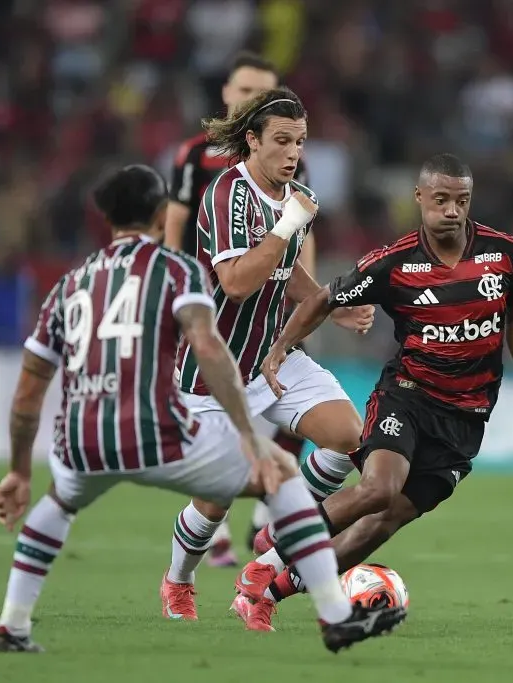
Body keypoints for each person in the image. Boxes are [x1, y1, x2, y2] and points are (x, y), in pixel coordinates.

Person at [0, 164, 404, 654]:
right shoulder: (177, 267)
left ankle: (12, 625)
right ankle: (316, 610)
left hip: (86, 433)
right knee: (274, 480)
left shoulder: (70, 283)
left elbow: (29, 388)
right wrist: (248, 437)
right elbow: (212, 341)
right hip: (168, 417)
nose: (292, 152)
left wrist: (17, 469)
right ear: (163, 214)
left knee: (55, 508)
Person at [231, 153, 513, 631]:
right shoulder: (394, 263)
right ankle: (274, 548)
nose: (452, 210)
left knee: (385, 520)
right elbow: (322, 299)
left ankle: (268, 591)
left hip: (465, 420)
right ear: (419, 199)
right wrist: (279, 350)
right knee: (378, 488)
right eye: (441, 200)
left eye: (461, 200)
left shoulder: (506, 255)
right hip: (408, 396)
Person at [158, 86, 377, 621]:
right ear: (252, 141)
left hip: (272, 358)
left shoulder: (294, 195)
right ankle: (178, 581)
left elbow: (284, 275)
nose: (292, 153)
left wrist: (332, 305)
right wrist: (286, 225)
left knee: (353, 437)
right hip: (215, 369)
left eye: (299, 142)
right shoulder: (225, 195)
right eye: (281, 141)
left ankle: (276, 535)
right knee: (218, 495)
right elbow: (235, 282)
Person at [165, 51, 313, 566]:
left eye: (265, 92)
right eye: (247, 90)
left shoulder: (287, 158)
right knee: (222, 455)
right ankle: (211, 528)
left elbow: (296, 243)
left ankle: (266, 524)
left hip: (268, 302)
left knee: (313, 427)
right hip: (212, 306)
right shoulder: (198, 161)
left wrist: (318, 303)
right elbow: (176, 225)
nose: (254, 99)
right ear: (229, 95)